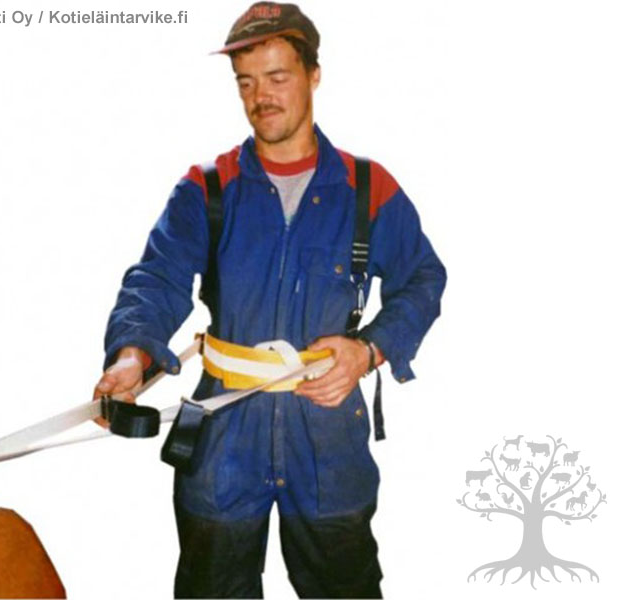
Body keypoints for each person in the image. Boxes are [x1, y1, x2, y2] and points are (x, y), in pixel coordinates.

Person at [93, 3, 446, 598]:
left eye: (277, 77)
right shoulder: (206, 188)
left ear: (314, 75)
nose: (261, 97)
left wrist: (369, 351)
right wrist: (132, 356)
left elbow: (423, 278)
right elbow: (156, 278)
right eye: (246, 83)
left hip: (328, 441)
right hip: (224, 440)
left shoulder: (367, 188)